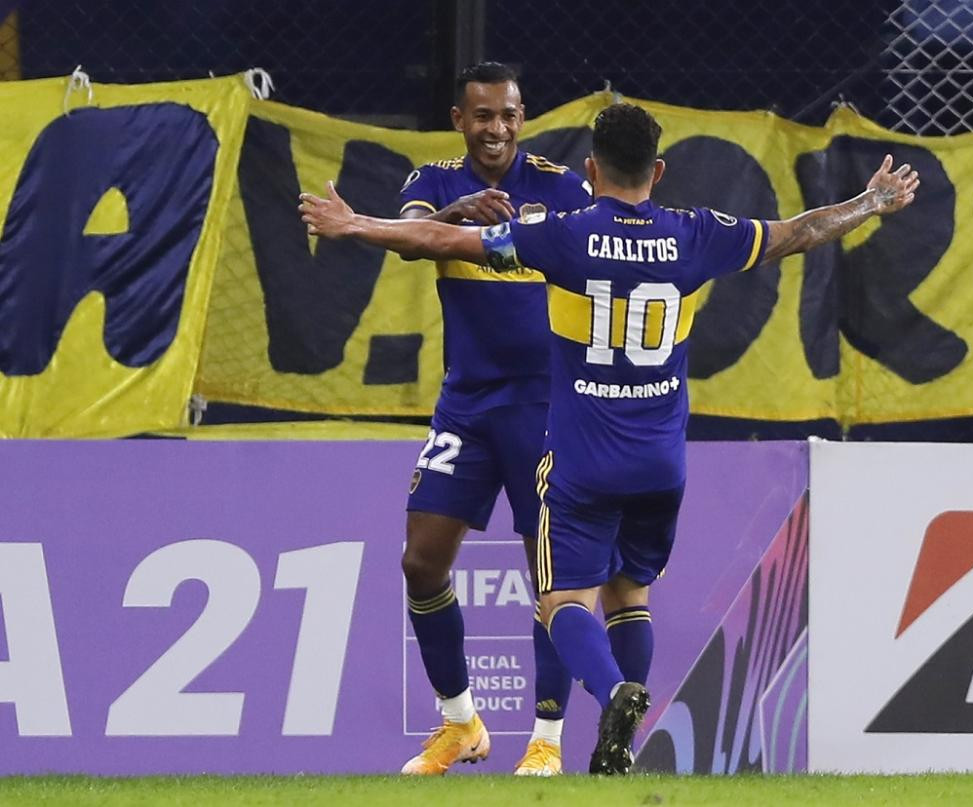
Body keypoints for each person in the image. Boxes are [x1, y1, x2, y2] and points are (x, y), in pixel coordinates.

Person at [299, 102, 919, 774]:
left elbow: (442, 243)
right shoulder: (697, 234)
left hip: (583, 461)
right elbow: (797, 233)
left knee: (562, 599)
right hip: (661, 463)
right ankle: (617, 740)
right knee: (632, 594)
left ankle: (613, 690)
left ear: (591, 169)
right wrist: (869, 202)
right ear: (658, 169)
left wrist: (352, 221)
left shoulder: (560, 237)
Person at [391, 62, 591, 776]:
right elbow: (407, 237)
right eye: (482, 116)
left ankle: (547, 740)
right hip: (468, 403)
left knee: (552, 573)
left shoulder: (564, 187)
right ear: (459, 120)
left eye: (508, 114)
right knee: (421, 560)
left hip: (546, 403)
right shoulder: (433, 181)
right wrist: (456, 216)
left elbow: (601, 261)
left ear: (522, 116)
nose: (496, 128)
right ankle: (460, 723)